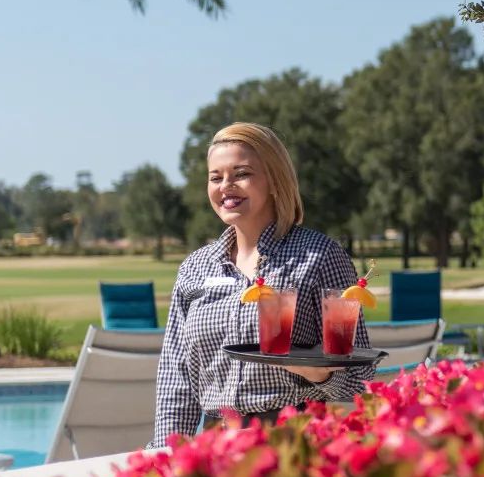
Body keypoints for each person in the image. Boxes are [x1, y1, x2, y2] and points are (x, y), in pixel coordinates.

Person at [152, 121, 368, 446]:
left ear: (275, 181)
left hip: (296, 442)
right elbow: (176, 378)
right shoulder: (195, 268)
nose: (226, 186)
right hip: (217, 446)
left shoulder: (320, 255)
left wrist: (321, 375)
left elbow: (360, 376)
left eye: (241, 174)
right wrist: (165, 453)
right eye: (216, 177)